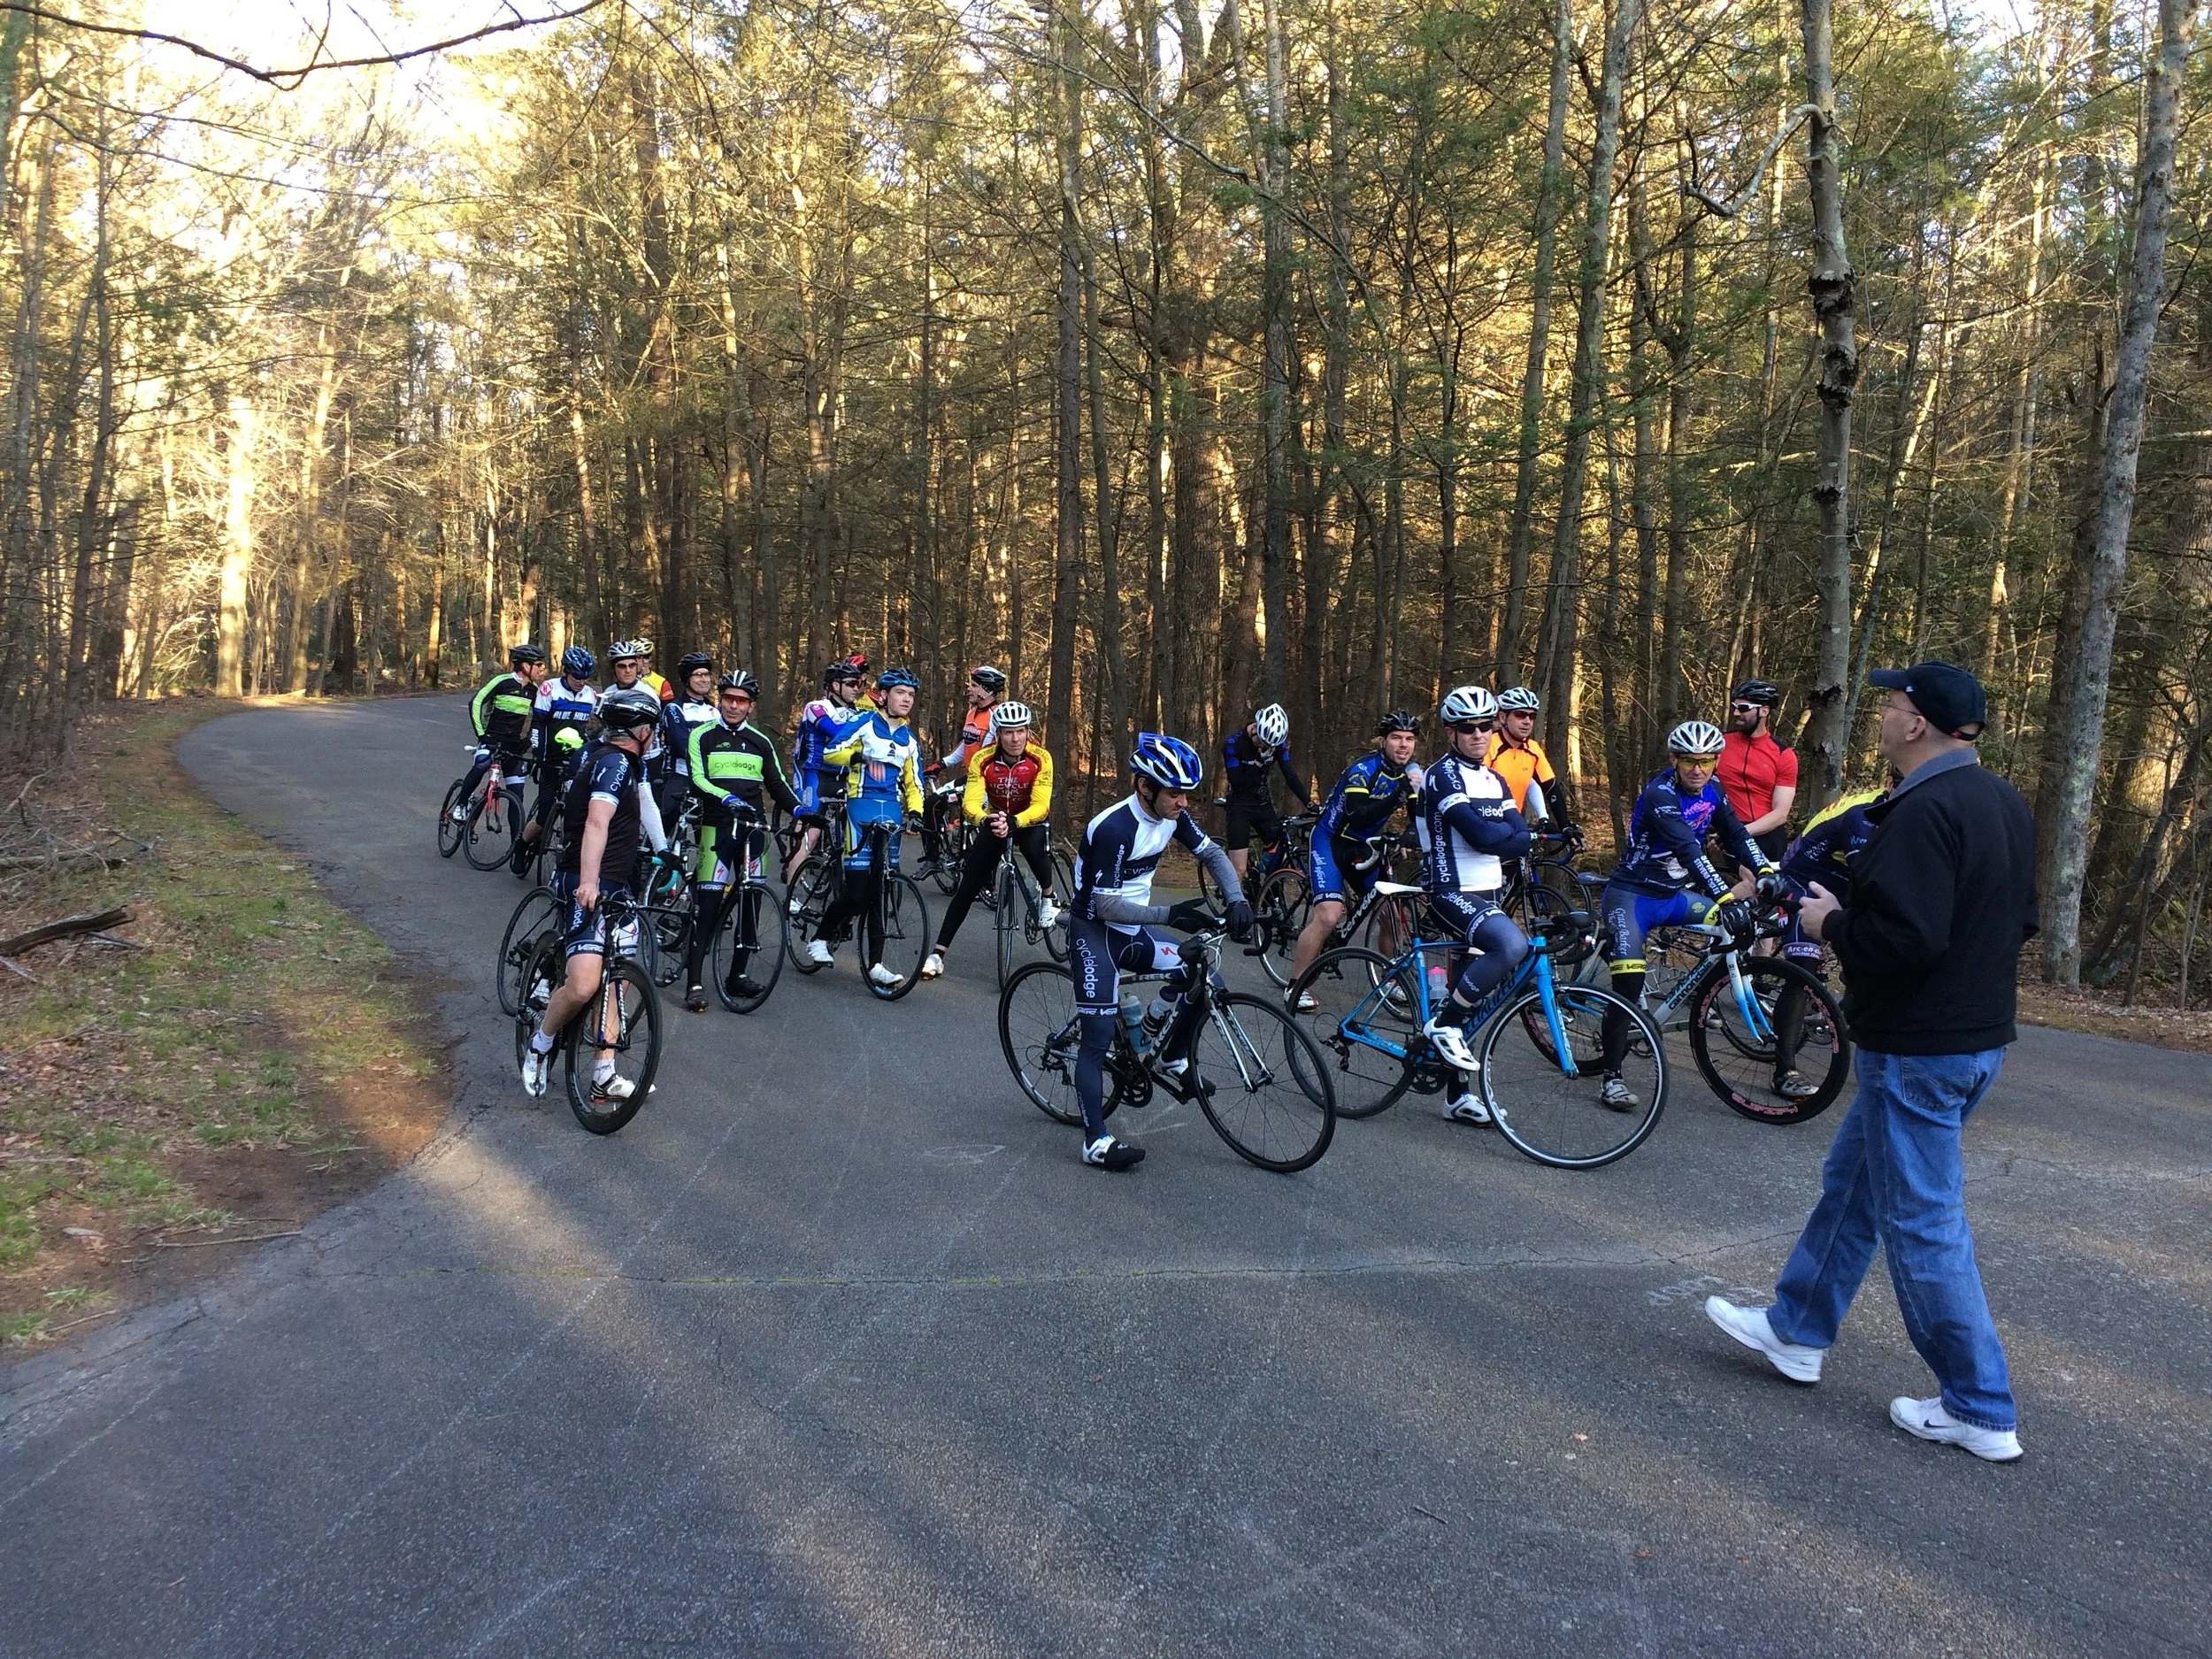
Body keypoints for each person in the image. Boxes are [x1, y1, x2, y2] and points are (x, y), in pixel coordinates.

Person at [1703, 661, 2038, 1463]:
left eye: (1890, 704)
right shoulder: (2003, 801)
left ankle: (1981, 1406)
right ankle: (1797, 1330)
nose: (1882, 715)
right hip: (1970, 1042)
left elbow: (1905, 938)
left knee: (1923, 1223)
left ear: (1917, 723)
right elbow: (2021, 920)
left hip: (1922, 1051)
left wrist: (1829, 923)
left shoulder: (1924, 812)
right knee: (1853, 1186)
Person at [1066, 733, 1251, 1171]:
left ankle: (1170, 1055)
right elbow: (1105, 904)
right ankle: (1095, 1140)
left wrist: (1237, 899)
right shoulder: (1113, 828)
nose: (1183, 802)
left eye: (1186, 793)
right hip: (1095, 932)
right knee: (1095, 1041)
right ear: (1143, 787)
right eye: (1174, 793)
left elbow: (1213, 855)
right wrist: (1171, 913)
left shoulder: (1173, 816)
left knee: (1204, 977)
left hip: (1134, 929)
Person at [1597, 718, 1782, 1110]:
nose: (1698, 770)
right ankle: (1611, 1075)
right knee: (1628, 987)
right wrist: (1724, 897)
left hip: (1672, 897)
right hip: (1632, 897)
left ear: (1716, 761)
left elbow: (1736, 836)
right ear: (1674, 760)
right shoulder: (1659, 793)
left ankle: (1702, 998)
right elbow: (1688, 850)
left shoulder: (1714, 790)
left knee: (1737, 932)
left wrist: (1765, 871)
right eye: (1689, 761)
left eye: (1706, 761)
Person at [520, 687, 664, 1101]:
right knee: (584, 986)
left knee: (615, 980)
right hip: (587, 881)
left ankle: (604, 1072)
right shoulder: (615, 763)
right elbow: (596, 824)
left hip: (619, 884)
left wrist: (664, 852)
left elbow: (643, 809)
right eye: (652, 729)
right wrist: (588, 881)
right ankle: (541, 1043)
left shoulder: (624, 762)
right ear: (642, 731)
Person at [1417, 687, 1532, 1126]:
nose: (1480, 734)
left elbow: (1519, 836)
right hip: (1449, 889)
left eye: (1487, 725)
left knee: (1469, 996)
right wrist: (1506, 837)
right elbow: (1487, 838)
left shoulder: (1494, 779)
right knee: (1511, 945)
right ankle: (1441, 1026)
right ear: (1451, 732)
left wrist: (1510, 837)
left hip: (1489, 891)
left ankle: (1456, 1097)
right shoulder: (1442, 775)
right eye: (1469, 728)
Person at [1287, 710, 1425, 1002]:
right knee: (1328, 916)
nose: (1404, 745)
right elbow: (1358, 814)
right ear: (1382, 741)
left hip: (1364, 845)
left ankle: (1388, 982)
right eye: (1396, 738)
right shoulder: (1363, 769)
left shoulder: (1411, 772)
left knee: (1392, 915)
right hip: (1330, 841)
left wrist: (1409, 836)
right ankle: (1296, 985)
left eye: (1410, 739)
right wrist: (1398, 793)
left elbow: (1417, 816)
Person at [683, 670, 801, 1010]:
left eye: (741, 701)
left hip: (753, 830)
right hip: (717, 828)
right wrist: (724, 798)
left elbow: (777, 785)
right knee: (707, 906)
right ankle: (694, 981)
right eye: (728, 699)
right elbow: (696, 779)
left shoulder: (761, 742)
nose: (733, 706)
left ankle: (738, 974)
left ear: (750, 706)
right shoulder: (702, 736)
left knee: (751, 903)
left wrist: (801, 812)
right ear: (720, 700)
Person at [921, 700, 1056, 980]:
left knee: (1033, 846)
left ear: (1028, 732)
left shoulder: (1041, 758)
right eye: (1008, 732)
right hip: (995, 820)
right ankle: (937, 954)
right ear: (999, 734)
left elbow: (1041, 805)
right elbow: (971, 803)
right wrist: (986, 820)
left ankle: (1048, 894)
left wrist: (1016, 821)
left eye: (1021, 731)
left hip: (1027, 817)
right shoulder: (983, 760)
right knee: (969, 884)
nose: (1015, 738)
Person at [811, 667, 927, 987]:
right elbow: (831, 752)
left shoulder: (909, 740)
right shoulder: (864, 722)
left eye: (911, 695)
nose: (907, 700)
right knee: (858, 891)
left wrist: (916, 812)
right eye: (901, 693)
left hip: (890, 809)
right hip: (859, 807)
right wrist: (859, 757)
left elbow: (915, 783)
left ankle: (876, 964)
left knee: (881, 889)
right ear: (885, 695)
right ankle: (820, 937)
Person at [513, 645, 599, 869]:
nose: (582, 682)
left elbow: (592, 731)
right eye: (577, 677)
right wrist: (538, 756)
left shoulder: (590, 695)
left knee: (577, 811)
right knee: (544, 814)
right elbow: (538, 725)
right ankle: (522, 845)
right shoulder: (549, 689)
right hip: (550, 759)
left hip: (575, 761)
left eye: (586, 678)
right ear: (566, 672)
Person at [787, 659, 867, 887]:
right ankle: (791, 890)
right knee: (809, 836)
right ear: (834, 686)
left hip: (844, 777)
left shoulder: (859, 713)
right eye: (851, 683)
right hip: (815, 774)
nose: (857, 688)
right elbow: (835, 732)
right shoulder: (816, 707)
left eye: (859, 683)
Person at [923, 665, 1007, 871]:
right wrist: (942, 764)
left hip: (987, 782)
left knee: (936, 804)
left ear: (986, 690)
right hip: (971, 777)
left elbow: (990, 750)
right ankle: (938, 857)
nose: (969, 689)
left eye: (975, 686)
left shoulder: (997, 716)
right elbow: (966, 745)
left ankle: (981, 876)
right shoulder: (972, 713)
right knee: (933, 803)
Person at [453, 643, 546, 823]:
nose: (542, 669)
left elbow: (537, 721)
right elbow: (476, 703)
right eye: (539, 664)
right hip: (492, 741)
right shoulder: (502, 681)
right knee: (481, 765)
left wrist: (530, 743)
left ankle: (516, 847)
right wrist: (482, 736)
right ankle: (461, 805)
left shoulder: (534, 691)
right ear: (526, 666)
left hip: (514, 748)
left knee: (517, 794)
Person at [1220, 703, 1311, 883]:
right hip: (1239, 807)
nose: (1266, 747)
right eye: (1262, 742)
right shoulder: (1233, 744)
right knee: (1239, 869)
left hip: (1262, 804)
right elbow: (1237, 783)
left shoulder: (1277, 744)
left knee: (1281, 851)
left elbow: (1290, 775)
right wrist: (1258, 764)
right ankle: (1233, 907)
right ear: (1255, 728)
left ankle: (1268, 889)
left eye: (1270, 745)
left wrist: (1309, 803)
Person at [1718, 679, 1799, 865]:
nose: (1736, 713)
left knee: (1764, 892)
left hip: (1765, 837)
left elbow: (1780, 814)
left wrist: (1737, 833)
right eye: (1734, 707)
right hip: (1722, 833)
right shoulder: (1720, 744)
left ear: (1764, 711)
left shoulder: (1783, 755)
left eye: (1744, 708)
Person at [1485, 687, 1577, 838]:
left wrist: (1564, 825)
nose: (1527, 721)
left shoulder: (1532, 748)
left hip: (1514, 826)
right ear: (1502, 717)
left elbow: (1550, 787)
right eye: (1520, 715)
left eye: (1532, 716)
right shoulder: (1489, 746)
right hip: (1487, 825)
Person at [657, 652, 722, 825]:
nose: (704, 679)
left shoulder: (715, 711)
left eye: (707, 674)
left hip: (710, 777)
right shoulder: (674, 709)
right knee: (666, 819)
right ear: (687, 678)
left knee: (710, 825)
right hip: (682, 774)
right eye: (698, 675)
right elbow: (682, 746)